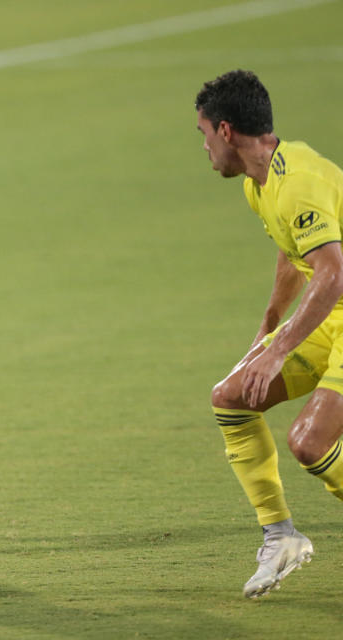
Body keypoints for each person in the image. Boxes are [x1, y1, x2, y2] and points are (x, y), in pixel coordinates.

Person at [197, 70, 343, 598]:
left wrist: (280, 352)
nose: (206, 147)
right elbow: (292, 252)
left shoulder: (300, 180)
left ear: (227, 130)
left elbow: (331, 272)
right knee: (231, 398)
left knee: (310, 442)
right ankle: (280, 536)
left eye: (204, 134)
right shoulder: (261, 185)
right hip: (328, 315)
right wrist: (269, 325)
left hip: (339, 302)